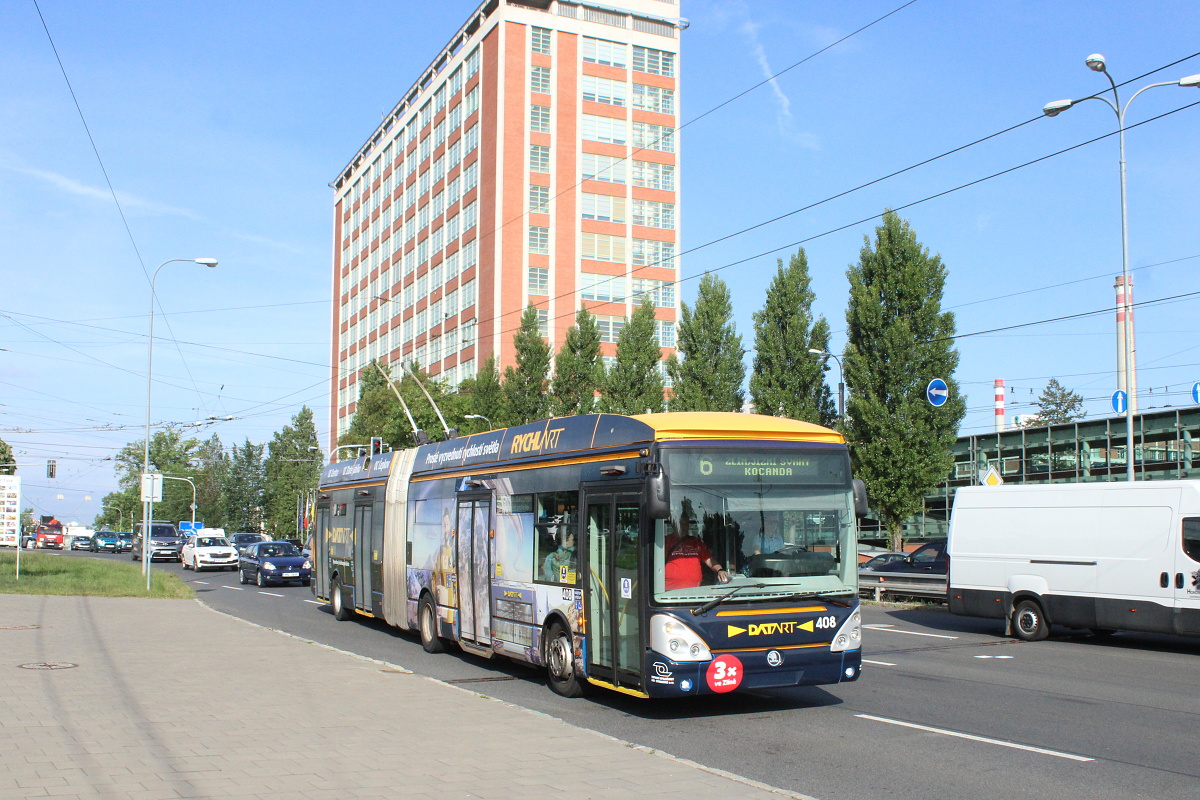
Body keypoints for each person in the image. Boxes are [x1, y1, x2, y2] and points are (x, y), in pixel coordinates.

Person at [664, 508, 730, 590]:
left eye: (686, 524)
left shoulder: (696, 542)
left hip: (695, 592)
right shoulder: (666, 541)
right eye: (681, 523)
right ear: (674, 524)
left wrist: (720, 570)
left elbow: (709, 560)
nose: (684, 526)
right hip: (670, 593)